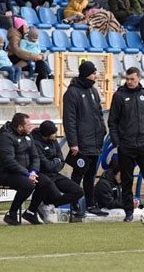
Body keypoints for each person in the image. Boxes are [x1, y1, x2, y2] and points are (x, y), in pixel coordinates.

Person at [108, 66, 144, 222]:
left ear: (139, 78)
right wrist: (117, 142)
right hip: (127, 144)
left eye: (132, 79)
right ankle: (128, 212)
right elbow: (112, 121)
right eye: (127, 79)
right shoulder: (119, 96)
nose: (129, 81)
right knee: (127, 180)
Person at [63, 61, 108, 217]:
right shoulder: (72, 93)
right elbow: (69, 120)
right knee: (78, 174)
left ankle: (91, 204)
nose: (95, 76)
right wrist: (73, 143)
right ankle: (74, 204)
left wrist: (103, 131)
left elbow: (99, 114)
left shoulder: (93, 91)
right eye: (93, 73)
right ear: (86, 74)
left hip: (95, 142)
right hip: (81, 143)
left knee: (90, 175)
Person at [0, 113, 50, 225]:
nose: (31, 127)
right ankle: (11, 214)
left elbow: (35, 156)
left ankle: (31, 212)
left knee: (46, 182)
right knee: (28, 184)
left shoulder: (28, 136)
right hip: (4, 174)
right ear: (20, 127)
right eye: (28, 125)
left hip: (25, 172)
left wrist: (33, 171)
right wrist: (27, 174)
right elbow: (9, 162)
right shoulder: (5, 137)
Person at [31, 120, 85, 223]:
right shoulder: (35, 143)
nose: (56, 134)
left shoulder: (54, 140)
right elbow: (45, 165)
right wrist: (56, 162)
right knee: (56, 196)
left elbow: (62, 160)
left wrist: (54, 164)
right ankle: (45, 204)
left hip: (55, 174)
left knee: (79, 191)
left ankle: (46, 203)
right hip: (43, 176)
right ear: (46, 135)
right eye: (54, 133)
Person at [7, 18, 48, 88]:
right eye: (25, 27)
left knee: (42, 65)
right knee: (41, 66)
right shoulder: (14, 37)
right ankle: (39, 87)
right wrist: (35, 56)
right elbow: (19, 52)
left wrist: (40, 54)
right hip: (18, 61)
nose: (27, 29)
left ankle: (41, 86)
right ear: (20, 27)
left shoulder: (24, 36)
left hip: (26, 59)